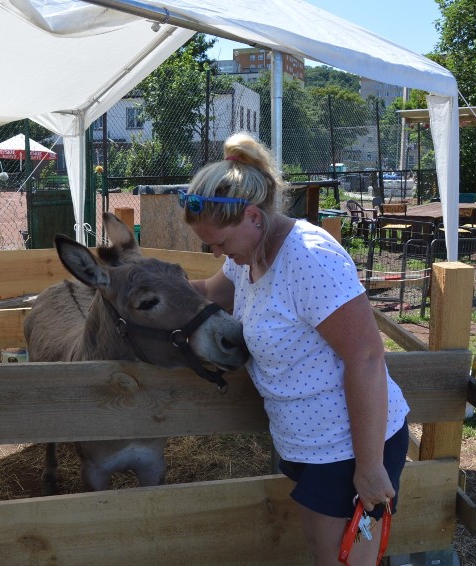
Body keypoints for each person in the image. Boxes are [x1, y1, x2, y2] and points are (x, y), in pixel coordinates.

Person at [180, 132, 410, 565]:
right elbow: (211, 292)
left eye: (219, 243)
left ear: (252, 216)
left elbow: (366, 356)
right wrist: (145, 284)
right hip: (307, 442)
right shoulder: (249, 253)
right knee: (326, 553)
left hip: (349, 446)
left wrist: (369, 465)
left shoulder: (308, 258)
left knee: (343, 561)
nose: (215, 252)